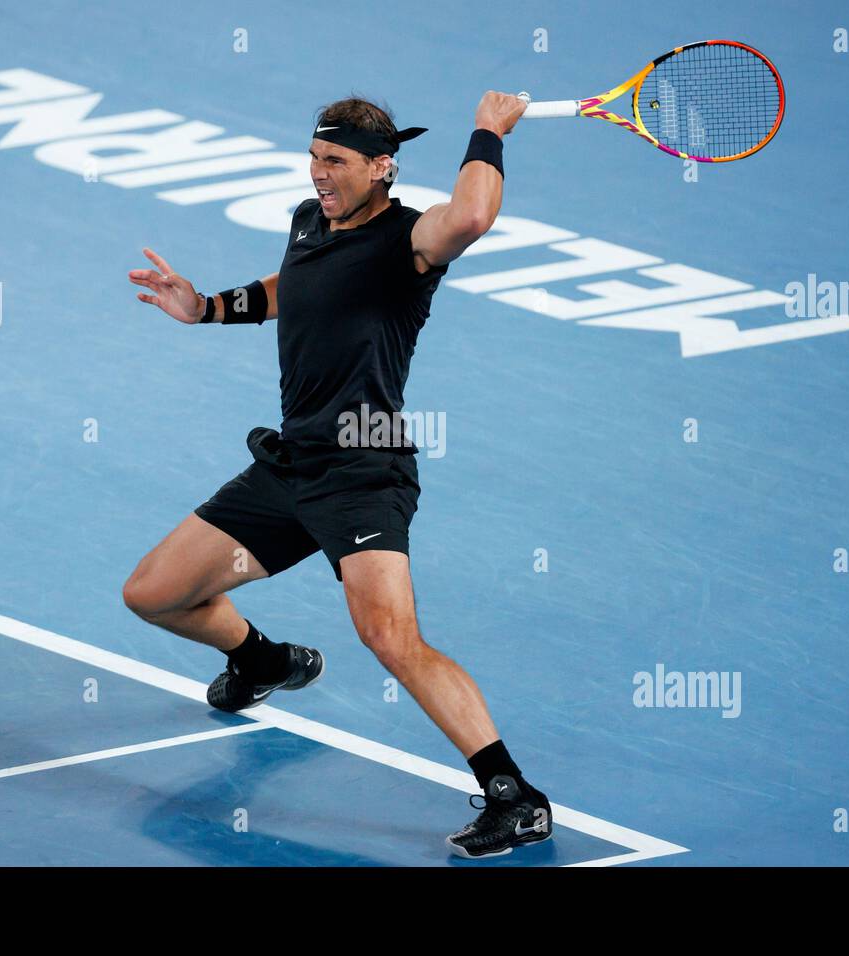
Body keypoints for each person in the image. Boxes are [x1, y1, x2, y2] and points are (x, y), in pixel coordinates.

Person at [123, 92, 551, 859]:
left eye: (338, 163)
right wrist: (208, 307)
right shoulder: (308, 220)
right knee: (153, 593)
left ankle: (513, 798)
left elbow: (474, 216)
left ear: (382, 167)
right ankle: (263, 660)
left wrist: (488, 130)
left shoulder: (409, 239)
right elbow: (297, 286)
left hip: (364, 467)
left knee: (389, 637)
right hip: (294, 463)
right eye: (315, 158)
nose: (320, 174)